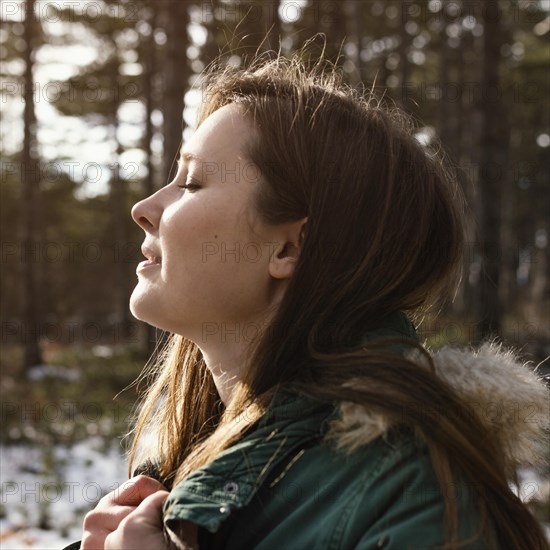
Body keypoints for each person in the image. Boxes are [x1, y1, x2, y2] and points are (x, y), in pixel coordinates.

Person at [70, 54, 549, 549]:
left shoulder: (411, 491)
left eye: (191, 182)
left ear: (289, 247)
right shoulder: (189, 474)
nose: (144, 209)